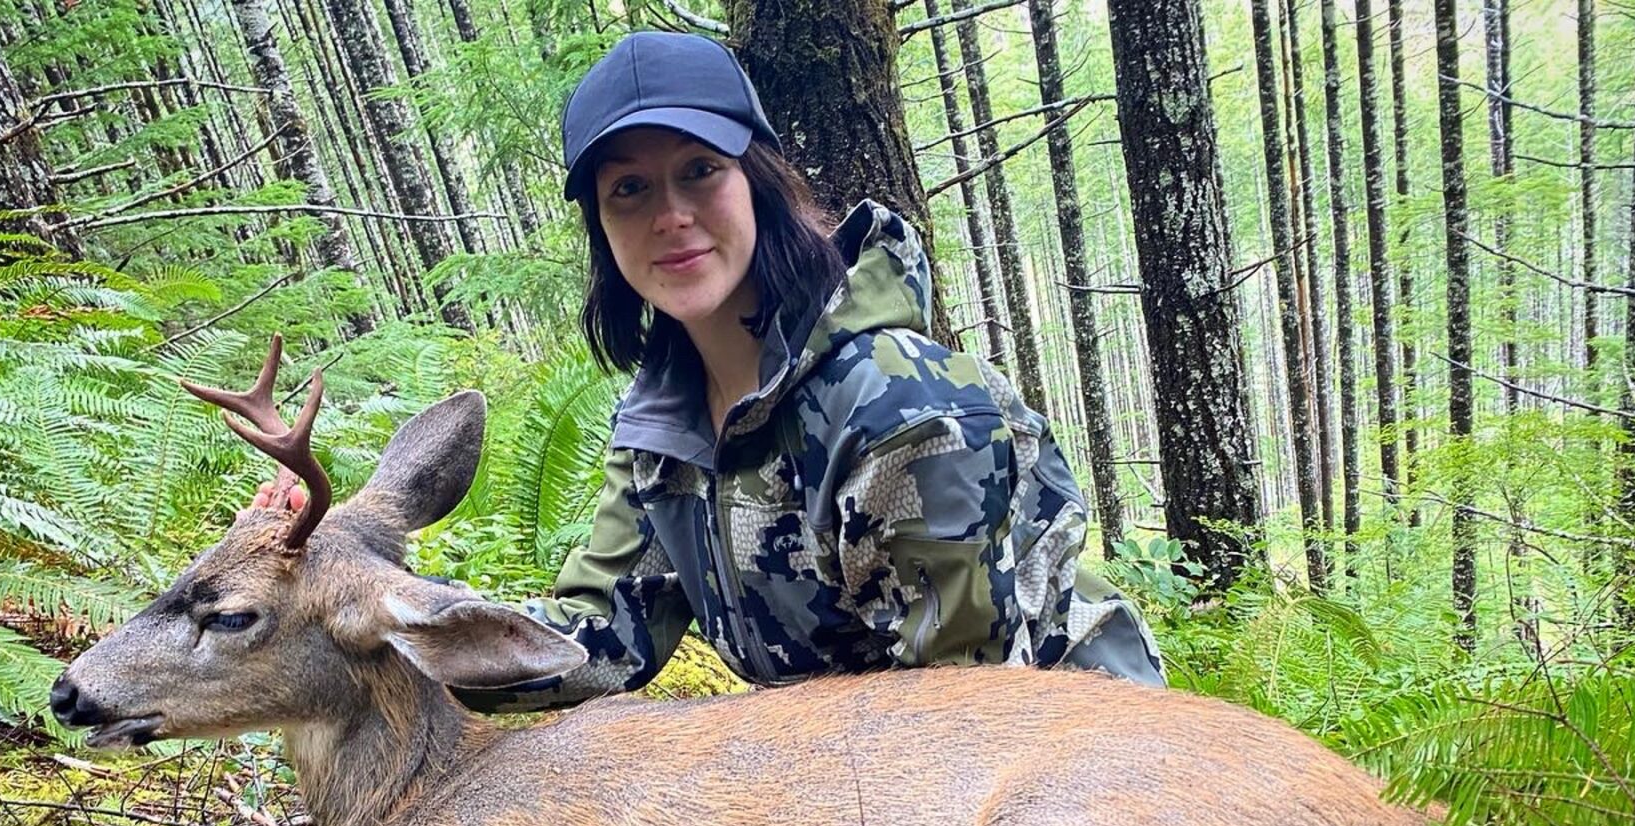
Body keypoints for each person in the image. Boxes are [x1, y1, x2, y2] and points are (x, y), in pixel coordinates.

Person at [271, 30, 1166, 705]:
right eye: (629, 189)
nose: (671, 215)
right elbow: (601, 642)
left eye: (700, 170)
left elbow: (964, 706)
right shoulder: (667, 424)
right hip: (866, 769)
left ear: (760, 181)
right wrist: (361, 595)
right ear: (603, 229)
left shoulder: (903, 411)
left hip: (1074, 769)